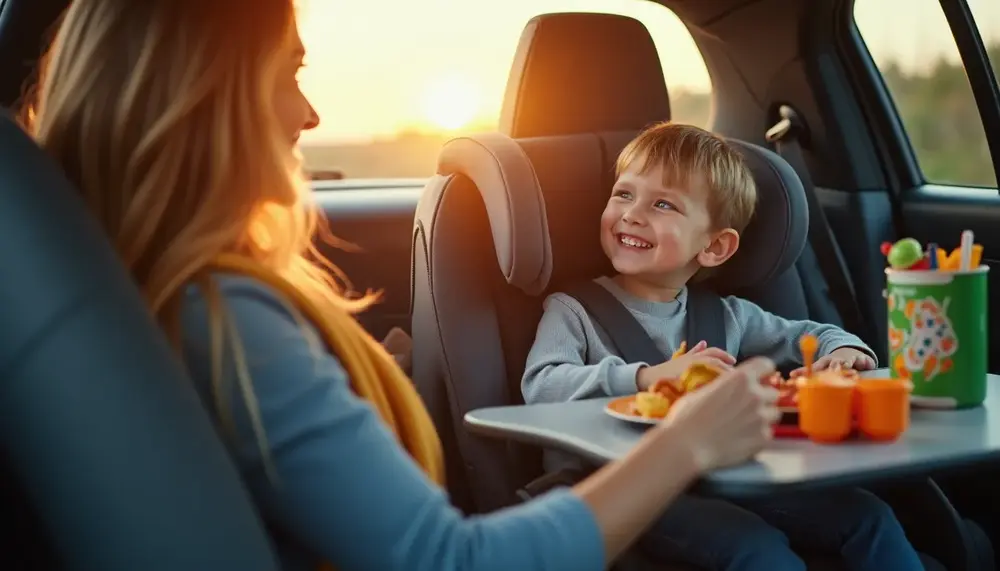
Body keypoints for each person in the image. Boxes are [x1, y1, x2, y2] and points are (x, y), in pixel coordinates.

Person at [20, 2, 782, 570]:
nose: (309, 111)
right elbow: (450, 560)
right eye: (287, 74)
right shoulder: (224, 315)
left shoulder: (121, 284)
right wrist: (685, 443)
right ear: (202, 93)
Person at [521, 122, 923, 571]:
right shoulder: (573, 311)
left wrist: (846, 353)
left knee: (869, 517)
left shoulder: (728, 317)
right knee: (757, 548)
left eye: (662, 204)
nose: (632, 214)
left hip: (725, 478)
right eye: (623, 194)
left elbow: (809, 336)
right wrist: (644, 378)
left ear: (714, 247)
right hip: (625, 488)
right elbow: (541, 384)